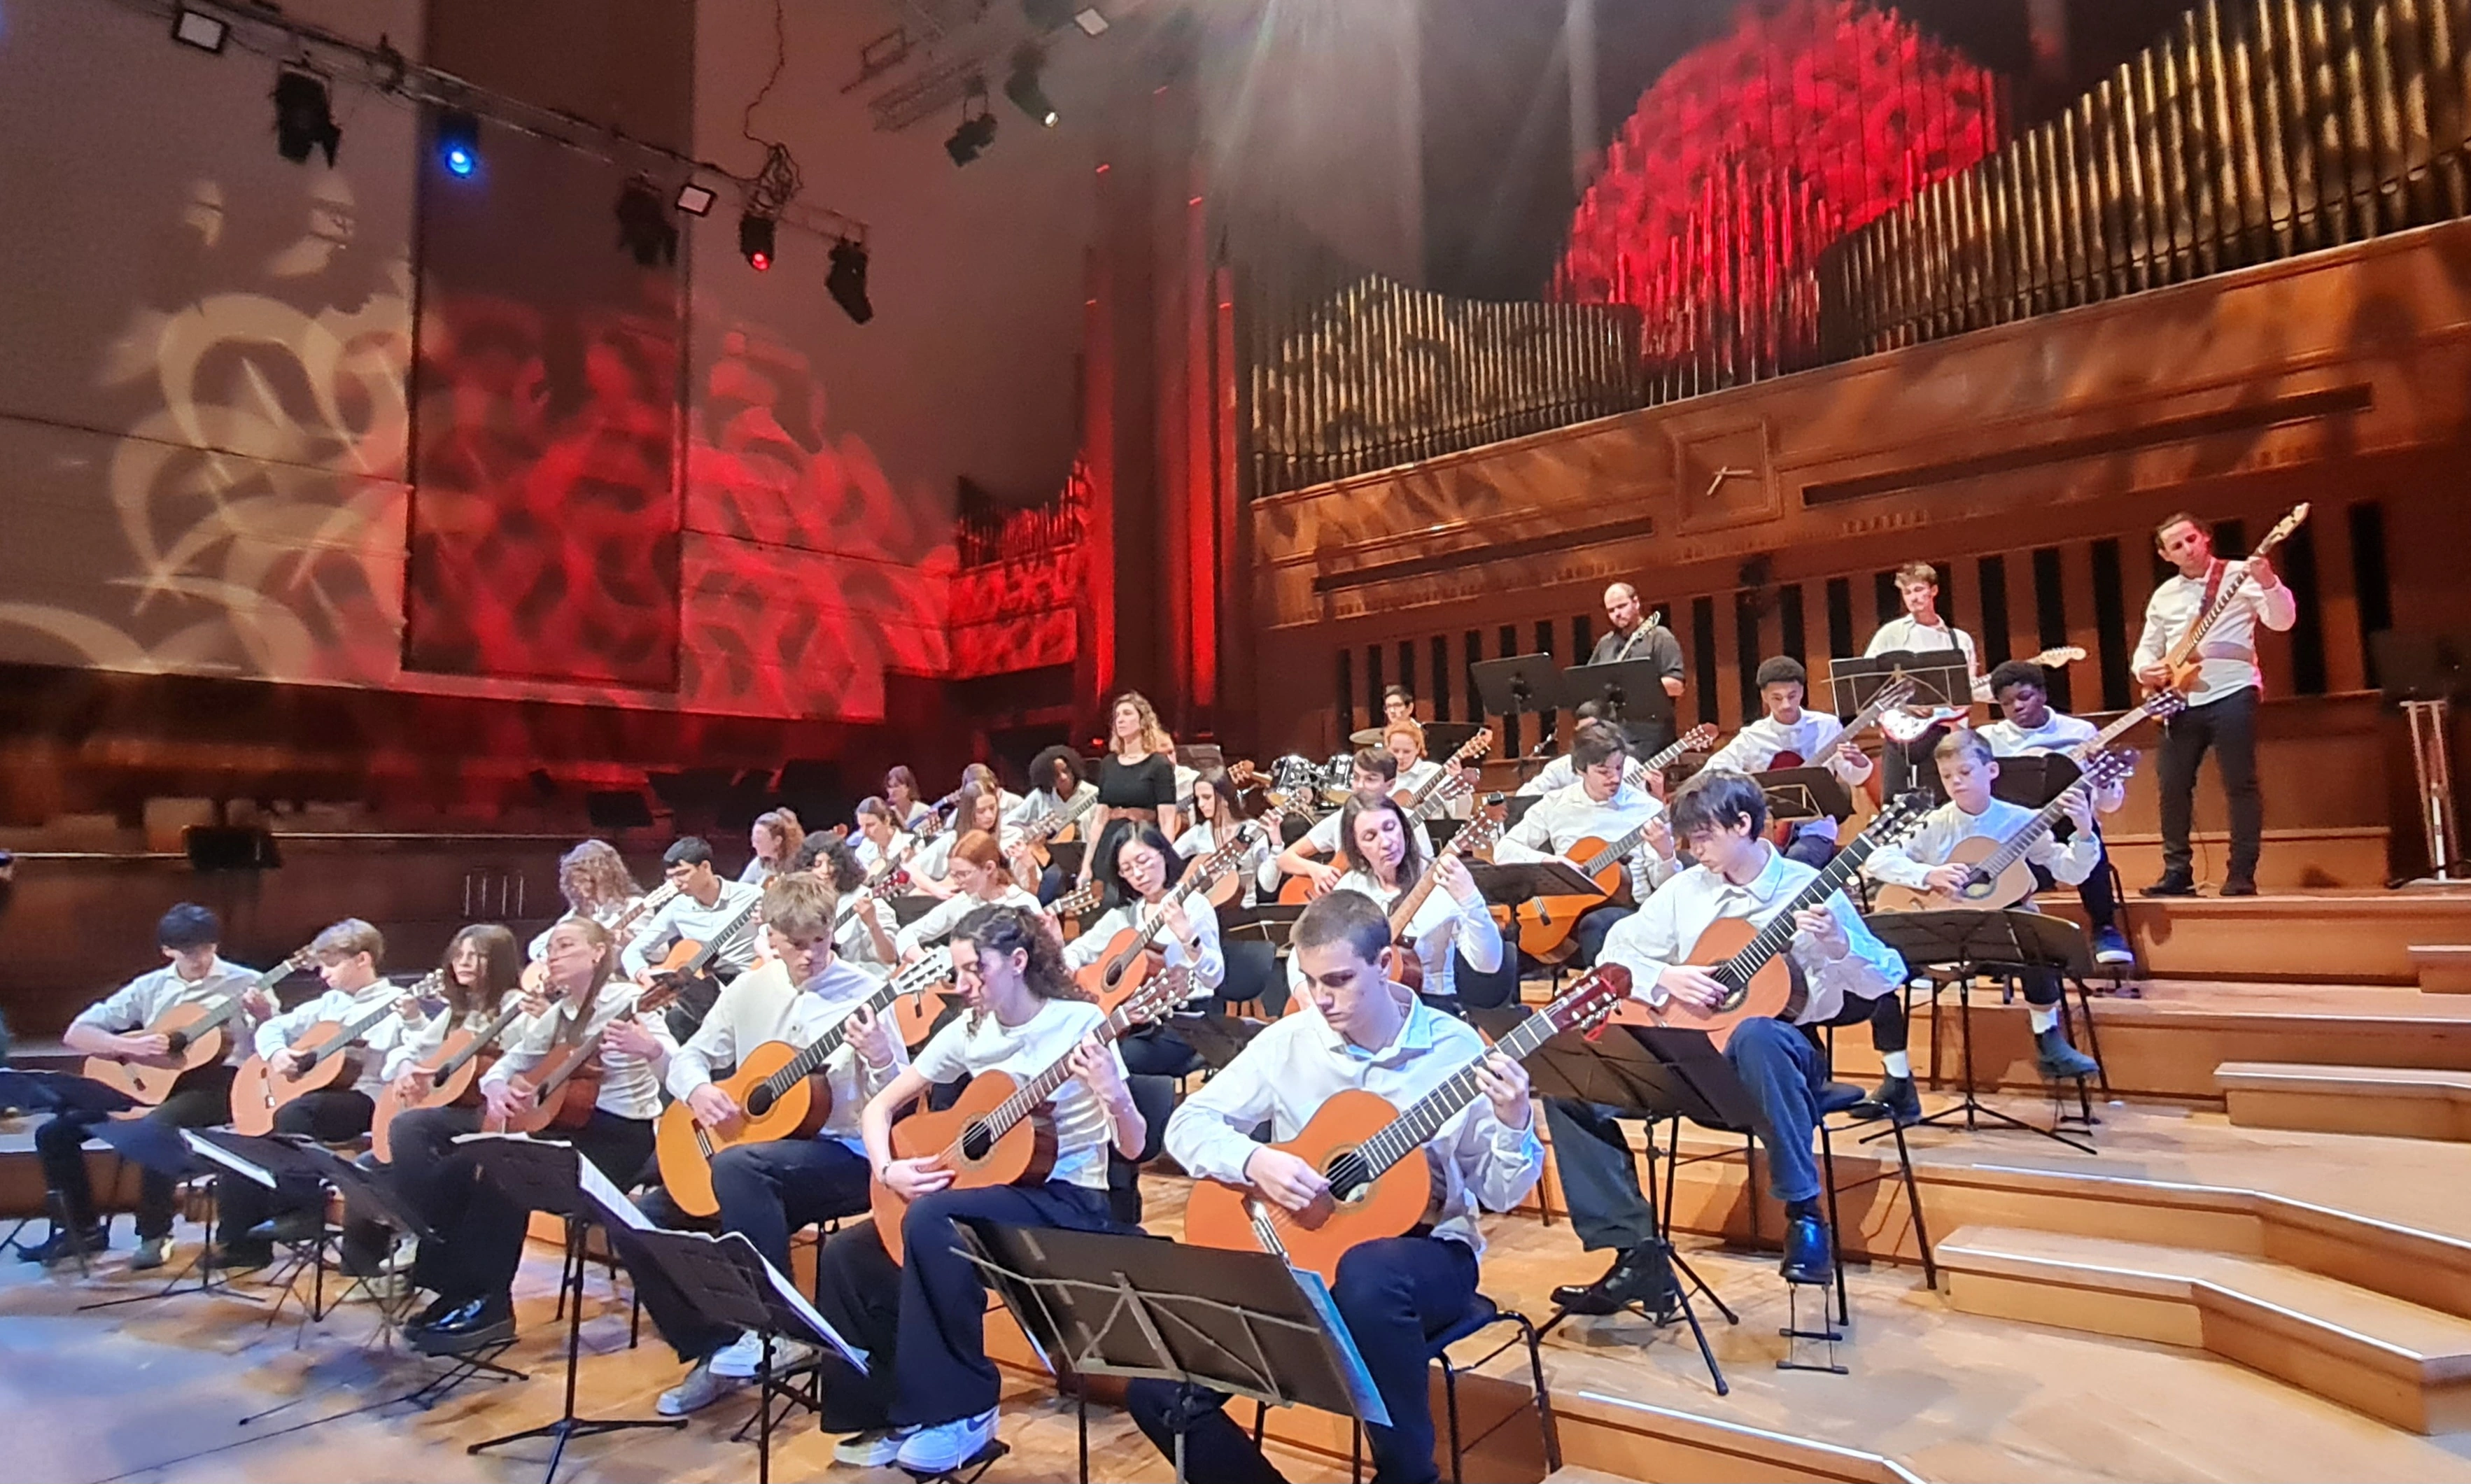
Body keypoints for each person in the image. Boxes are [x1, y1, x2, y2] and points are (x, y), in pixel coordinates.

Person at [1126, 889, 1541, 1484]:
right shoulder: (1288, 1040)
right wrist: (1254, 1161)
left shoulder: (1454, 1049)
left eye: (1340, 980)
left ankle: (1406, 1475)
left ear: (1385, 964)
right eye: (1312, 979)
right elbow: (1190, 1124)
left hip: (1426, 1256)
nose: (1321, 997)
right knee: (1156, 1393)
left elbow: (1501, 1193)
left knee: (1369, 1275)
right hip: (1296, 1258)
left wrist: (1514, 1119)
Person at [1549, 770, 1906, 1317]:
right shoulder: (1685, 889)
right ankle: (1635, 1251)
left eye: (1703, 837)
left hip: (1781, 1058)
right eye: (1687, 839)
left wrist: (1837, 946)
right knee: (1568, 1083)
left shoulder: (1807, 887)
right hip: (1692, 1060)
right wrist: (1664, 979)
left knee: (1756, 1032)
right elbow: (1614, 951)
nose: (1693, 851)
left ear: (1743, 824)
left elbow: (1884, 978)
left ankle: (1805, 1214)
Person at [808, 905, 1145, 1474]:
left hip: (1070, 1199)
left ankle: (963, 1411)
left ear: (1017, 961)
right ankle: (889, 1410)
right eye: (958, 971)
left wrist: (1114, 1093)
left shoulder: (1078, 1025)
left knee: (935, 1220)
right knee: (850, 1252)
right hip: (993, 1191)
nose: (963, 985)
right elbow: (882, 1106)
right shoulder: (970, 1031)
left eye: (975, 970)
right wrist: (888, 1168)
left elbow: (1134, 1147)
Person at [644, 872, 906, 1414]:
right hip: (761, 1154)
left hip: (843, 1154)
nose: (810, 954)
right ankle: (714, 1346)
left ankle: (779, 1326)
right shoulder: (750, 987)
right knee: (646, 1217)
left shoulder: (866, 993)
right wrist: (697, 1091)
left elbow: (897, 1094)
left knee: (741, 1168)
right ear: (771, 936)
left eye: (819, 939)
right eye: (795, 943)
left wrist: (879, 1055)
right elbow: (690, 1057)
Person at [397, 917, 678, 1356]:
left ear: (598, 952)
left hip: (619, 1139)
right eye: (549, 950)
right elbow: (511, 1064)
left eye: (565, 946)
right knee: (458, 1165)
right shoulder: (560, 1012)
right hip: (568, 1128)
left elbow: (679, 1070)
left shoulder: (631, 1002)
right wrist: (495, 1089)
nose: (553, 956)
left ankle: (491, 1306)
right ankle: (452, 1291)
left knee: (504, 1173)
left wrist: (652, 1050)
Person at [34, 905, 272, 1268]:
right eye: (189, 952)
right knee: (54, 1133)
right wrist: (129, 1046)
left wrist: (264, 1019)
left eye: (207, 948)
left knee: (154, 1128)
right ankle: (82, 1230)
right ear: (168, 951)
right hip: (150, 1082)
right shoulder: (150, 986)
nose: (201, 959)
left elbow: (274, 1049)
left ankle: (155, 1234)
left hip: (220, 1083)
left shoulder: (248, 983)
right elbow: (77, 1032)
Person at [1864, 728, 2104, 1085]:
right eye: (1947, 776)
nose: (1956, 783)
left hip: (1997, 934)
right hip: (1938, 929)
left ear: (1991, 771)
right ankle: (1896, 1077)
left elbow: (2069, 869)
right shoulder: (1934, 823)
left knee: (2033, 928)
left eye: (1965, 773)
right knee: (1874, 963)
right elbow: (1877, 861)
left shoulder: (2022, 820)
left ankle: (2049, 1040)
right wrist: (1928, 874)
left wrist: (2084, 833)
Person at [216, 919, 423, 1271]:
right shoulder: (329, 1002)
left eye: (331, 965)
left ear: (362, 960)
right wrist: (277, 1055)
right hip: (317, 1096)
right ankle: (241, 1244)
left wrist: (409, 1026)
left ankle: (302, 1211)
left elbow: (415, 1052)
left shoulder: (396, 1004)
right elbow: (273, 1027)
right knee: (245, 1141)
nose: (323, 975)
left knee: (296, 1115)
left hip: (367, 1099)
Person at [2132, 511, 2295, 897]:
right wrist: (2144, 671)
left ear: (2205, 537)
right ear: (2165, 555)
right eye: (2176, 546)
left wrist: (2269, 582)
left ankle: (2241, 873)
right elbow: (2148, 647)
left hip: (2233, 690)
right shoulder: (2164, 596)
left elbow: (2283, 621)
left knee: (2239, 783)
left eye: (2191, 539)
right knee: (2172, 785)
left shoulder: (2241, 573)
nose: (2186, 549)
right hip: (2180, 698)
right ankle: (2176, 872)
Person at [1287, 793, 1509, 1012]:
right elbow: (1304, 948)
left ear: (1404, 828)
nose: (1386, 842)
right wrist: (1302, 991)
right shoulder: (1350, 886)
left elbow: (1488, 964)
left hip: (1431, 1007)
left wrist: (1470, 899)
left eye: (1390, 827)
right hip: (1363, 1012)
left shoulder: (1445, 885)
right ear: (1356, 847)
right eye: (1370, 836)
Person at [1981, 659, 2136, 966]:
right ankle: (2006, 944)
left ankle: (2105, 927)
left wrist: (2103, 779)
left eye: (2023, 697)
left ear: (2042, 694)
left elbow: (2109, 805)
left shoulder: (2080, 732)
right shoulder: (1989, 738)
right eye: (2006, 703)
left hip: (2068, 826)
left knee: (2086, 830)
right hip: (2016, 837)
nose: (2016, 708)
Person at [1494, 726, 1677, 968]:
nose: (1615, 778)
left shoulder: (1647, 810)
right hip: (1561, 913)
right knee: (1500, 941)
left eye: (1619, 768)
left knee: (1597, 924)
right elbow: (1504, 850)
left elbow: (1666, 887)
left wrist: (1665, 852)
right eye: (1603, 771)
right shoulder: (1556, 803)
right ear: (1581, 770)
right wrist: (1550, 862)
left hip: (1630, 910)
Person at [1063, 824, 1223, 1076]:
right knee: (1076, 1051)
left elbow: (1214, 977)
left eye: (1144, 861)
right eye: (1127, 869)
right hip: (1130, 1023)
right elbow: (1075, 952)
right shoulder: (1125, 916)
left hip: (1183, 1024)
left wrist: (1188, 937)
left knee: (1111, 1061)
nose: (1139, 874)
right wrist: (1075, 976)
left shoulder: (1193, 905)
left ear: (1163, 853)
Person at [1701, 657, 1875, 867]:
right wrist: (1746, 787)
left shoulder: (1827, 726)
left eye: (1792, 696)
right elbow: (1714, 768)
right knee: (1750, 867)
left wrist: (1857, 760)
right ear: (1764, 696)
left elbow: (1855, 777)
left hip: (1816, 827)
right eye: (1777, 698)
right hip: (1767, 829)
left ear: (1802, 691)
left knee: (1797, 863)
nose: (1786, 705)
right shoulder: (1754, 736)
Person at [1864, 561, 1993, 800]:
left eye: (1918, 590)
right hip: (1900, 731)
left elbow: (1967, 687)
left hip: (1945, 732)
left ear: (1933, 591)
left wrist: (1965, 699)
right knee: (1894, 803)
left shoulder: (1958, 639)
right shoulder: (1890, 634)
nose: (1913, 597)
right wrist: (1906, 705)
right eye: (1907, 592)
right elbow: (1868, 682)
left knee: (1941, 801)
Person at [1274, 749, 1435, 897]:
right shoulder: (1339, 818)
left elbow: (1425, 872)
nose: (1359, 786)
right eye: (1356, 778)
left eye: (1370, 779)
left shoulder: (1409, 819)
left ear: (1390, 785)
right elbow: (1284, 859)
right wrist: (1315, 869)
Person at [619, 837, 763, 987]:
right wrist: (642, 973)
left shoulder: (753, 896)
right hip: (697, 992)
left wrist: (766, 924)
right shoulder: (678, 907)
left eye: (682, 873)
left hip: (746, 983)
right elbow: (633, 951)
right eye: (671, 876)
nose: (676, 882)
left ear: (705, 867)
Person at [892, 831, 1041, 962]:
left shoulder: (1023, 902)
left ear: (989, 868)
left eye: (963, 874)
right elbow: (907, 934)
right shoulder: (963, 902)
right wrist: (923, 959)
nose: (957, 881)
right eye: (954, 874)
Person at [1587, 581, 1689, 756]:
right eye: (1611, 610)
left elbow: (1676, 686)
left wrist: (1633, 688)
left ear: (1636, 602)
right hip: (1612, 736)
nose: (1617, 614)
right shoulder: (1606, 644)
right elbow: (1591, 684)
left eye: (1622, 606)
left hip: (1651, 737)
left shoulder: (1660, 637)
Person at [1090, 693, 1183, 880]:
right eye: (1117, 716)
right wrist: (1087, 863)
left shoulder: (1159, 765)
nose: (1121, 720)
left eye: (1127, 714)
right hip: (1109, 840)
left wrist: (1165, 857)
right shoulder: (1108, 763)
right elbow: (1099, 819)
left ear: (1142, 721)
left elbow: (1167, 820)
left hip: (1141, 839)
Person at [1171, 768, 1278, 910]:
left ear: (1225, 799)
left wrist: (1277, 845)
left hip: (1245, 913)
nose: (1200, 804)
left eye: (1207, 797)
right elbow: (1166, 860)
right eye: (1198, 799)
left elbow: (1268, 885)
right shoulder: (1199, 833)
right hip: (1205, 914)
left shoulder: (1253, 830)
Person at [1005, 745, 1099, 902]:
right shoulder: (1041, 795)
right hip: (1043, 858)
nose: (1063, 777)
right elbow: (1008, 821)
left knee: (1052, 880)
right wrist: (1031, 830)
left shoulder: (1094, 795)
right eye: (1055, 775)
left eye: (1066, 771)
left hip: (1082, 859)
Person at [529, 840, 646, 962]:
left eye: (583, 880)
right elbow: (535, 947)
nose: (577, 886)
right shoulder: (580, 912)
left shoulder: (635, 906)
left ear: (604, 878)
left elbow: (658, 952)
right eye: (574, 881)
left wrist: (629, 942)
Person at [910, 785, 1015, 897]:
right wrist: (936, 889)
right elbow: (912, 868)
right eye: (981, 811)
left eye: (992, 808)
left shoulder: (1010, 836)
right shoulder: (953, 838)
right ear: (969, 812)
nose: (989, 815)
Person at [850, 796, 915, 877]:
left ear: (887, 821)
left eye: (870, 825)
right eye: (861, 826)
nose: (864, 833)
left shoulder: (909, 842)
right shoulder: (863, 851)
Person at [739, 809, 804, 886]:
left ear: (777, 841)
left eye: (758, 841)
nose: (754, 845)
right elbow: (740, 888)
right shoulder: (760, 863)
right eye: (753, 839)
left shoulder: (799, 866)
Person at [883, 766, 934, 833]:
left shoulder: (923, 810)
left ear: (908, 788)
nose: (892, 791)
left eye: (896, 786)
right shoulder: (888, 814)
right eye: (890, 787)